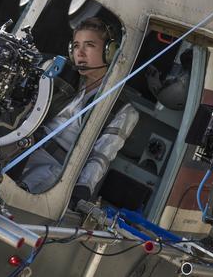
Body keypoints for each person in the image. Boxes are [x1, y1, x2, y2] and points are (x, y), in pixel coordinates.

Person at [18, 17, 138, 204]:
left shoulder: (123, 109)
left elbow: (102, 155)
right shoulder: (57, 69)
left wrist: (84, 186)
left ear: (110, 52)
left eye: (89, 45)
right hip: (23, 144)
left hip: (55, 167)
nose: (80, 53)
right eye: (75, 46)